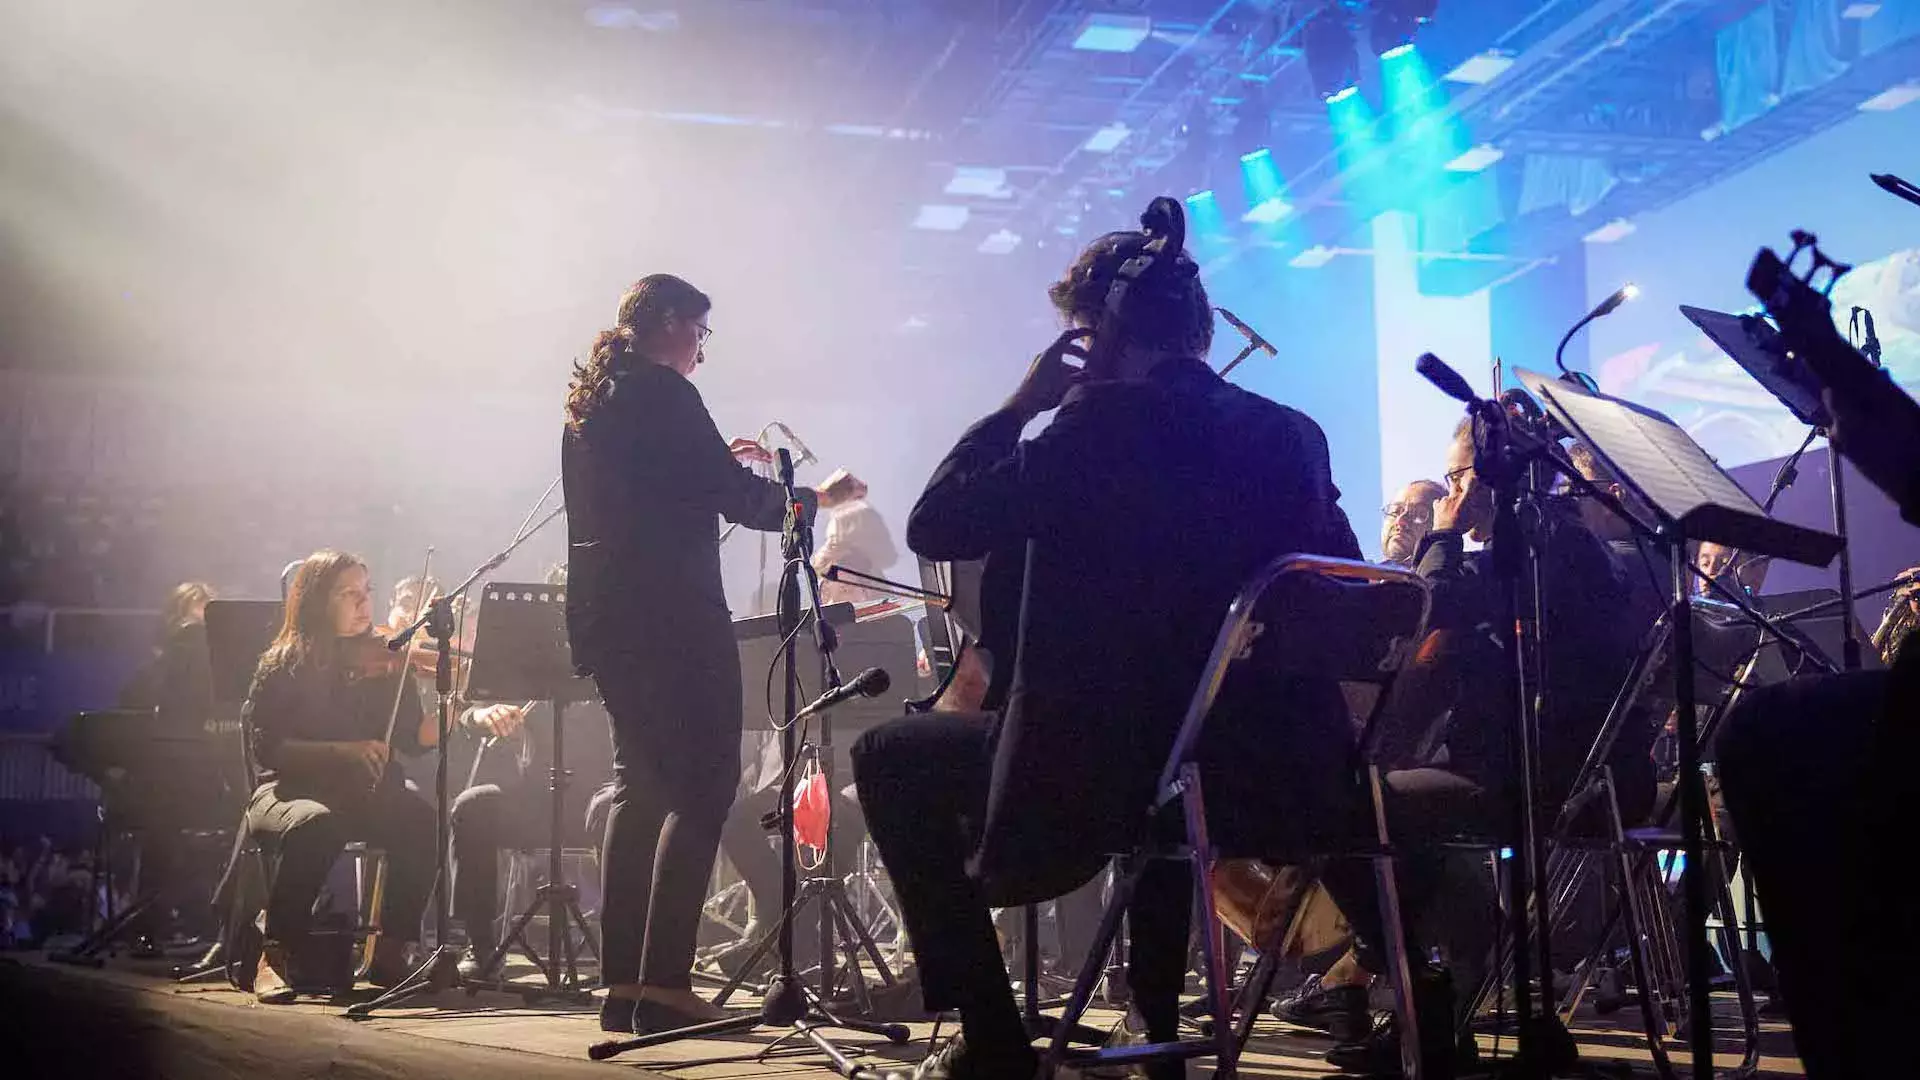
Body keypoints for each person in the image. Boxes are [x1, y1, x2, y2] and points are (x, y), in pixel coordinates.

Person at [851, 220, 1361, 1080]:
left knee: (888, 755)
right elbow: (1348, 588)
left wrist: (1022, 407)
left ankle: (996, 1040)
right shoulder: (1291, 436)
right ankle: (1154, 1018)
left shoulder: (1093, 430)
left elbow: (937, 523)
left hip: (1091, 779)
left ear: (1105, 333)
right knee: (1170, 739)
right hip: (1260, 778)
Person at [562, 273, 819, 1033]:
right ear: (671, 323)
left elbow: (679, 486)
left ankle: (626, 988)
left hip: (611, 622)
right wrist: (803, 500)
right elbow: (731, 494)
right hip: (673, 618)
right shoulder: (665, 393)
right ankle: (668, 983)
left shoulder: (592, 402)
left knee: (638, 788)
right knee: (706, 786)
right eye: (701, 334)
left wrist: (738, 478)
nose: (702, 353)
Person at [239, 550, 439, 1003]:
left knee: (420, 820)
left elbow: (412, 737)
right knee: (318, 826)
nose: (363, 604)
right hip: (288, 793)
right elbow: (268, 748)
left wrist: (455, 707)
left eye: (366, 592)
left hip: (363, 797)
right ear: (316, 601)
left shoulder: (389, 660)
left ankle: (390, 953)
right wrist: (344, 751)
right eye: (348, 594)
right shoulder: (284, 661)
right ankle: (274, 953)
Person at [812, 469, 900, 606]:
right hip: (860, 598)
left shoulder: (852, 515)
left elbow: (821, 562)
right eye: (854, 484)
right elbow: (889, 557)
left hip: (865, 594)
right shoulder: (852, 514)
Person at [1380, 480, 1445, 567]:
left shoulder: (1452, 576)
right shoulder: (1362, 575)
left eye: (1419, 514)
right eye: (1395, 511)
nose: (1400, 521)